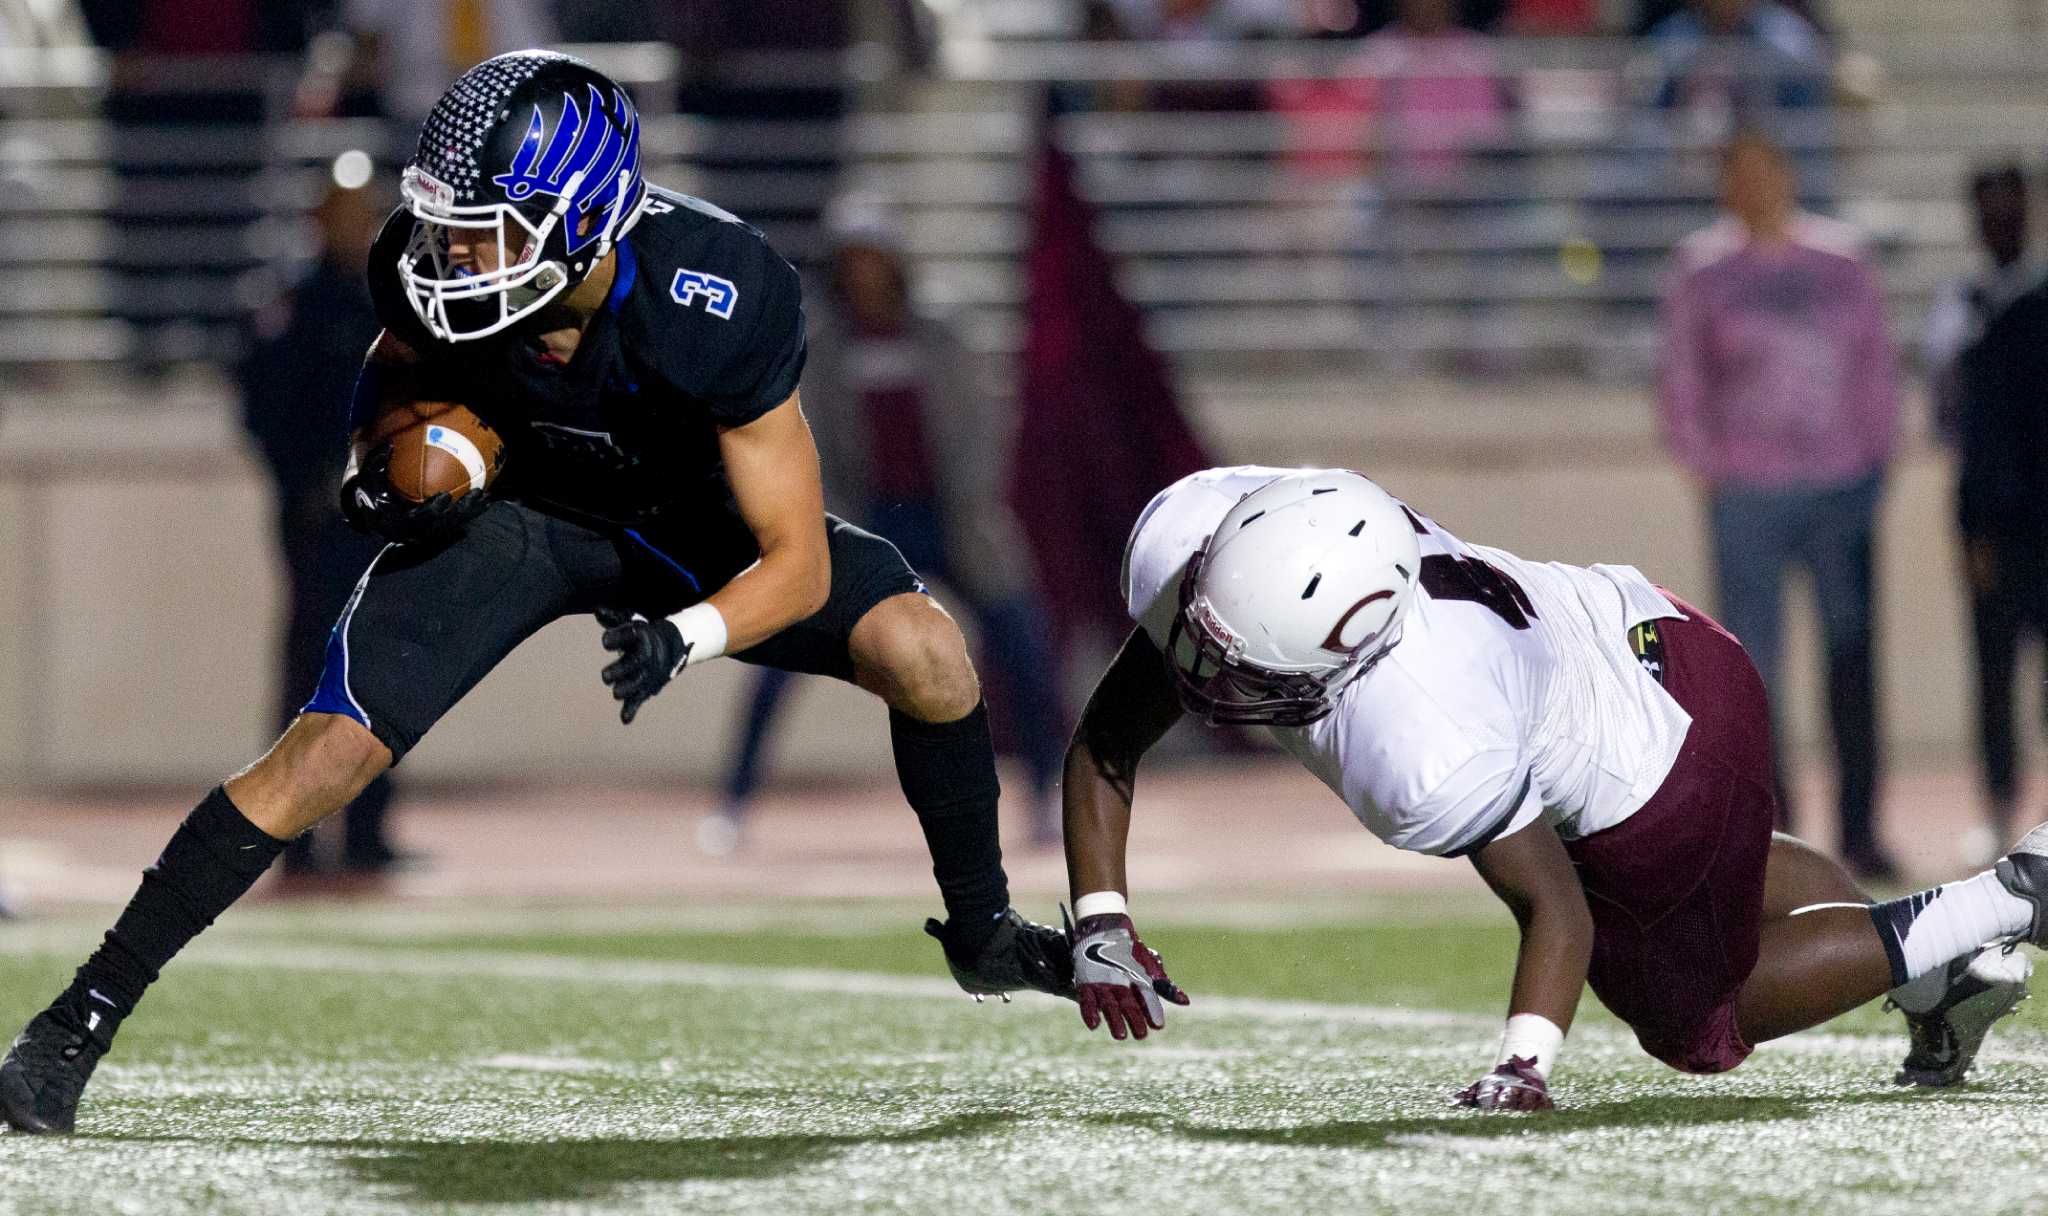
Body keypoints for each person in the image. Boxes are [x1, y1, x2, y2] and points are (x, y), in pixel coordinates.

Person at [0, 51, 1072, 1137]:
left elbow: (790, 558)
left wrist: (686, 635)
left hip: (678, 525)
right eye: (444, 224)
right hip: (522, 518)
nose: (449, 253)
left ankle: (981, 929)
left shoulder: (717, 290)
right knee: (322, 755)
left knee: (924, 649)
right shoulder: (422, 264)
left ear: (585, 220)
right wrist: (375, 454)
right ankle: (67, 1030)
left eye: (484, 230)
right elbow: (396, 352)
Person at [1056, 465, 2045, 1111]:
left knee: (1695, 1021)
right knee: (1708, 894)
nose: (1199, 672)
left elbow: (1554, 909)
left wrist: (1520, 1064)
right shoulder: (1216, 544)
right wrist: (1099, 919)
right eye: (1203, 629)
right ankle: (1929, 971)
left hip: (1664, 762)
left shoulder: (1415, 740)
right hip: (1655, 630)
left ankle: (2003, 895)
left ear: (1347, 664)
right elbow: (1111, 732)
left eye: (1245, 669)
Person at [705, 195, 1065, 853]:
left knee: (1022, 645)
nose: (865, 272)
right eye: (854, 259)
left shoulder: (939, 334)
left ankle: (1045, 795)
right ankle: (733, 803)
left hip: (951, 523)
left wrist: (974, 504)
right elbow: (806, 441)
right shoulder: (820, 346)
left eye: (875, 257)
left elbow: (979, 429)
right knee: (781, 649)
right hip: (866, 524)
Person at [1658, 130, 1900, 879]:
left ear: (1790, 175)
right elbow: (1682, 375)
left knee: (1850, 655)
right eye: (1741, 173)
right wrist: (1710, 468)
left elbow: (1876, 368)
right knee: (1753, 669)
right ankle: (1776, 829)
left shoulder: (1842, 260)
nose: (1756, 186)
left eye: (1767, 169)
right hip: (1750, 493)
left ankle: (1861, 828)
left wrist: (1872, 463)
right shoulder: (1703, 268)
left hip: (1839, 487)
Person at [238, 172, 408, 877]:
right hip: (316, 521)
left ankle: (368, 831)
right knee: (311, 672)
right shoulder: (297, 308)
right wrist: (303, 485)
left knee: (383, 669)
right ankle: (294, 837)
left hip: (378, 520)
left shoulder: (391, 304)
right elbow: (263, 407)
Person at [1924, 165, 2048, 865]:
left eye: (2012, 208)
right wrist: (1971, 529)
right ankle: (1999, 813)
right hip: (1994, 527)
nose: (2002, 221)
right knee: (1993, 679)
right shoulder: (1960, 305)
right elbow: (1954, 427)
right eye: (1990, 209)